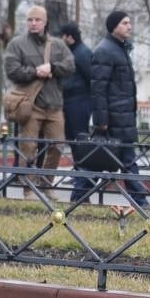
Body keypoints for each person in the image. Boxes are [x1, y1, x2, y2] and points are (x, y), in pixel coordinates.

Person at [3, 5, 75, 196]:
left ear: (45, 22)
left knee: (58, 145)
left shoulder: (58, 45)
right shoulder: (17, 44)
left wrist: (52, 67)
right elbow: (11, 70)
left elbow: (70, 65)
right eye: (30, 20)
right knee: (28, 147)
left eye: (37, 20)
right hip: (30, 104)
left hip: (54, 105)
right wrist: (35, 71)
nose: (33, 23)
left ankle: (46, 184)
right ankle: (28, 189)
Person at [91, 10, 148, 210]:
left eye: (129, 23)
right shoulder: (105, 50)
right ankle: (141, 202)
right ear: (114, 26)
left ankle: (140, 202)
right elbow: (98, 89)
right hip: (113, 118)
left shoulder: (119, 49)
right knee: (99, 162)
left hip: (123, 116)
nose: (129, 26)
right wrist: (101, 121)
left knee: (117, 161)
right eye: (125, 23)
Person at [58, 22, 96, 202]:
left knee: (79, 141)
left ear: (69, 37)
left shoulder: (81, 53)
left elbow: (91, 78)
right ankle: (80, 177)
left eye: (62, 36)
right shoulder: (76, 52)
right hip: (73, 102)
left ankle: (82, 180)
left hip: (79, 103)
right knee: (75, 141)